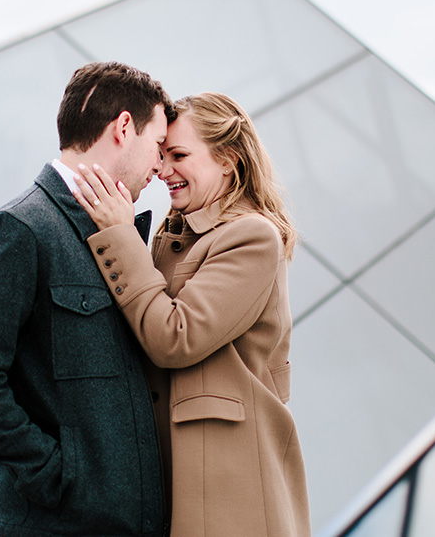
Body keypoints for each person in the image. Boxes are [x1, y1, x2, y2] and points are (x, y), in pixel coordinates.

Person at [0, 61, 175, 537]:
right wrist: (55, 478)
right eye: (159, 144)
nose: (160, 166)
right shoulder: (20, 229)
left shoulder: (122, 236)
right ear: (124, 128)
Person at [71, 92, 312, 537]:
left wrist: (121, 235)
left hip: (230, 491)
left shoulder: (252, 237)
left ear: (229, 160)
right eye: (161, 156)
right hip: (176, 485)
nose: (163, 171)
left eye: (179, 155)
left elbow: (174, 338)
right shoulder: (172, 234)